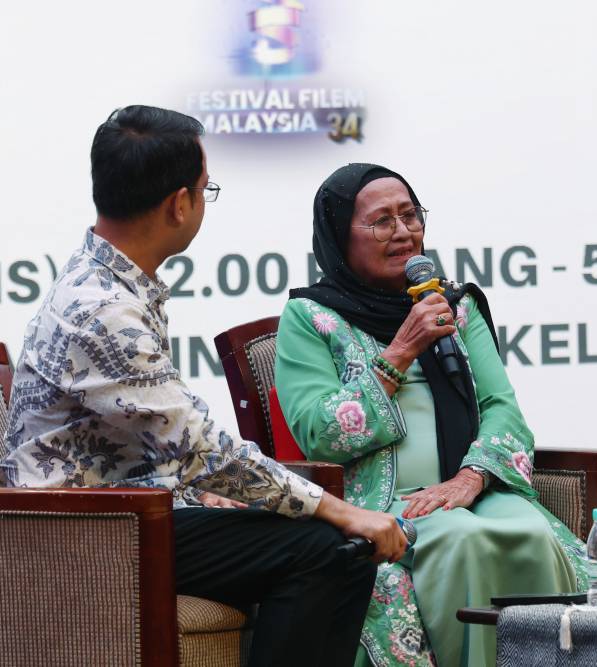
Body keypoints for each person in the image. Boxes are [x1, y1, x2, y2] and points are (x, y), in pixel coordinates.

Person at [0, 106, 407, 667]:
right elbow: (200, 445)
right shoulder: (102, 309)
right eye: (204, 188)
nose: (201, 201)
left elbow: (161, 437)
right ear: (179, 203)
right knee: (330, 549)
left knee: (315, 544)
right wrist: (338, 510)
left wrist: (202, 492)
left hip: (126, 510)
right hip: (83, 536)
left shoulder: (106, 280)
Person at [274, 163, 585, 667]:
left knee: (529, 534)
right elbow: (318, 435)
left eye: (410, 215)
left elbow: (502, 408)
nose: (403, 232)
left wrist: (472, 477)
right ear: (338, 235)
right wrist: (400, 352)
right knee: (462, 540)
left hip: (470, 490)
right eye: (381, 221)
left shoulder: (454, 305)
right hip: (377, 504)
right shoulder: (311, 318)